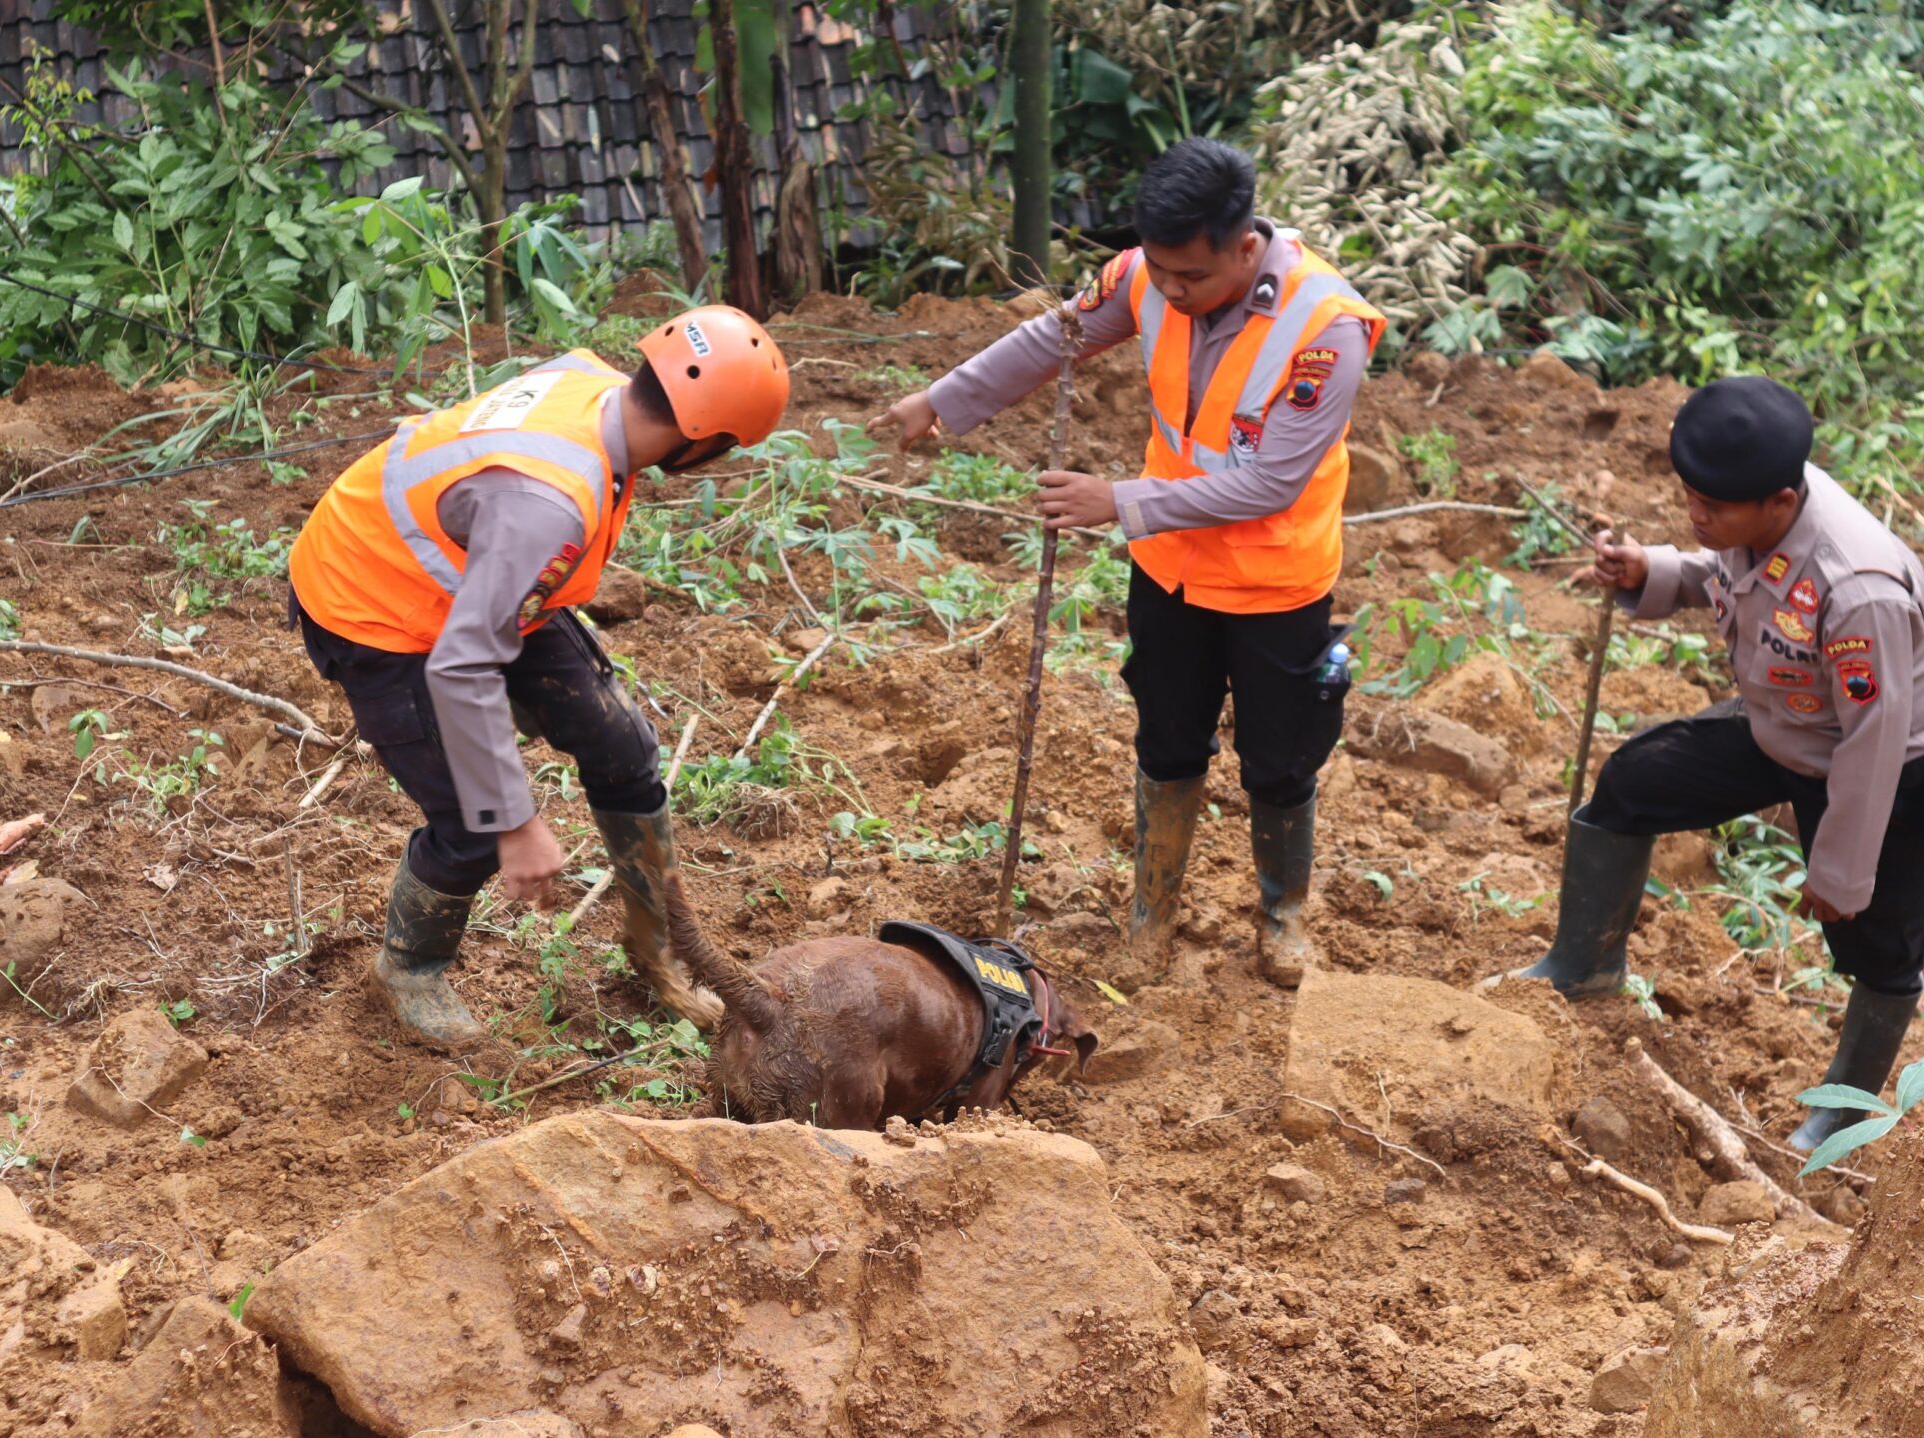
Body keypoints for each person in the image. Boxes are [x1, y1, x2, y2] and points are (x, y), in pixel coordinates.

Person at [873, 139, 1387, 989]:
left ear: (1244, 247)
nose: (1171, 292)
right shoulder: (1148, 274)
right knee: (1167, 740)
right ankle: (1152, 914)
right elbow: (1057, 336)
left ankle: (1283, 916)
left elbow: (1272, 482)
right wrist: (943, 400)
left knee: (1281, 758)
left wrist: (1118, 500)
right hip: (1170, 569)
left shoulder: (1326, 328)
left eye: (1192, 277)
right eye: (1162, 272)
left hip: (1274, 582)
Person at [1514, 375, 1924, 1150]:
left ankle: (1840, 1115)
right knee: (1635, 782)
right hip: (1785, 728)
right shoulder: (1759, 510)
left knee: (1877, 945)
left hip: (1885, 769)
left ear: (1781, 500)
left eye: (1711, 506)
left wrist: (1840, 870)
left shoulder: (1858, 586)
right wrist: (1652, 570)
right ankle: (1582, 966)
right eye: (1689, 497)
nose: (1695, 515)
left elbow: (1874, 737)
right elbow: (1729, 574)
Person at [286, 307, 790, 1046]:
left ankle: (655, 948)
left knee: (622, 747)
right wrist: (518, 824)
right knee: (472, 824)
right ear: (704, 439)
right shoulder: (545, 506)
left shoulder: (589, 380)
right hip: (375, 601)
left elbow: (506, 567)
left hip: (487, 574)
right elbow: (463, 664)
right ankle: (409, 969)